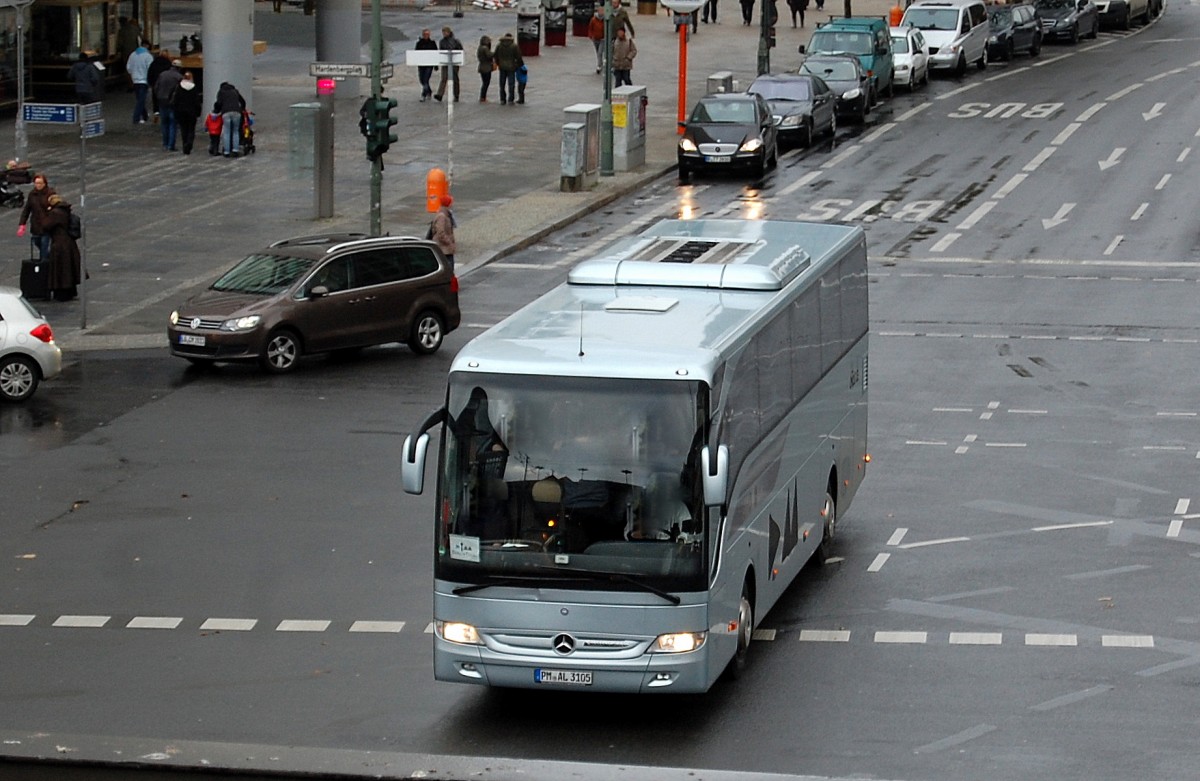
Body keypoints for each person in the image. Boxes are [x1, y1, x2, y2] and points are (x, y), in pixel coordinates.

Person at [43, 194, 82, 302]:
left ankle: (61, 293)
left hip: (59, 243)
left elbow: (46, 225)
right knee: (68, 268)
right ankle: (70, 291)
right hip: (69, 243)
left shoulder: (55, 213)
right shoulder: (66, 211)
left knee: (60, 268)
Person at [17, 173, 56, 262]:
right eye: (36, 183)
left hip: (47, 226)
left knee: (44, 247)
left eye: (40, 183)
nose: (38, 185)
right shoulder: (32, 194)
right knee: (37, 242)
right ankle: (51, 259)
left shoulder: (50, 194)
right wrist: (22, 224)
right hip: (36, 225)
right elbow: (27, 209)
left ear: (45, 183)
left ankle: (44, 267)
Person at [154, 59, 184, 151]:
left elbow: (156, 87)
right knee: (173, 124)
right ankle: (171, 145)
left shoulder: (162, 74)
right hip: (172, 103)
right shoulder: (179, 77)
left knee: (164, 123)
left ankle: (165, 143)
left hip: (162, 100)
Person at [214, 81, 247, 157]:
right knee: (235, 131)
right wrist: (242, 109)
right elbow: (243, 101)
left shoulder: (221, 92)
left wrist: (216, 111)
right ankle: (235, 150)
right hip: (237, 112)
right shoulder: (235, 91)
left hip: (226, 112)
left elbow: (218, 103)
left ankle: (226, 151)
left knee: (227, 132)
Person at [174, 70, 203, 155]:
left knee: (184, 129)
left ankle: (184, 144)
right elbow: (197, 102)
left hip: (181, 112)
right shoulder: (193, 88)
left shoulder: (179, 87)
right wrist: (198, 112)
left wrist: (176, 111)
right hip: (192, 112)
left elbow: (176, 100)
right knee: (191, 129)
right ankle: (189, 143)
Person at [126, 40, 153, 123]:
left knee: (140, 99)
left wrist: (133, 74)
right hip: (144, 80)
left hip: (135, 80)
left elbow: (128, 67)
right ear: (147, 46)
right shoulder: (148, 56)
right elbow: (150, 69)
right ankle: (136, 118)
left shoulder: (132, 55)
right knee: (141, 101)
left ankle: (145, 116)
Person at [492, 32, 522, 106]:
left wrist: (498, 63)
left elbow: (495, 55)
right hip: (511, 67)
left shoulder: (499, 45)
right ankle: (510, 99)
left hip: (502, 67)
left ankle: (502, 99)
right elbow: (518, 57)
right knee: (511, 84)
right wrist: (520, 65)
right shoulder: (514, 46)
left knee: (502, 84)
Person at [434, 26, 462, 103]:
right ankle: (440, 94)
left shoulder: (455, 41)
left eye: (445, 32)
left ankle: (456, 95)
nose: (444, 34)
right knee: (444, 78)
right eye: (443, 32)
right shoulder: (442, 42)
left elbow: (460, 51)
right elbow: (441, 51)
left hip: (454, 63)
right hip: (445, 62)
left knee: (455, 79)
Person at [147, 47, 172, 122]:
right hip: (166, 85)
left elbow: (150, 74)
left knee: (155, 100)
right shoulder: (168, 64)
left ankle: (156, 113)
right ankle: (166, 114)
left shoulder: (154, 63)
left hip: (155, 84)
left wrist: (151, 83)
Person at [430, 194, 456, 265]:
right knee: (448, 269)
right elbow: (440, 232)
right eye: (451, 203)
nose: (452, 205)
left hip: (446, 249)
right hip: (443, 249)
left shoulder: (447, 215)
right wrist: (449, 242)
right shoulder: (442, 216)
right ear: (448, 204)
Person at [415, 28, 437, 101]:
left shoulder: (432, 43)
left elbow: (435, 54)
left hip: (429, 65)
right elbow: (416, 53)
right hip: (421, 64)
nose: (426, 36)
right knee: (422, 80)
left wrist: (436, 65)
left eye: (427, 34)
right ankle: (429, 91)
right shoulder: (419, 43)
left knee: (425, 79)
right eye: (425, 34)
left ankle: (423, 94)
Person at [587, 7, 605, 73]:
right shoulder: (593, 19)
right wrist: (591, 36)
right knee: (598, 52)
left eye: (602, 10)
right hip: (595, 38)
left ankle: (599, 65)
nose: (601, 12)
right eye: (600, 10)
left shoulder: (605, 20)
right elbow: (590, 28)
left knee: (600, 52)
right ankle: (600, 62)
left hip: (603, 39)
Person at [476, 35, 493, 102]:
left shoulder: (479, 48)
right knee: (486, 83)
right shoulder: (485, 48)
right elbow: (489, 55)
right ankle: (483, 97)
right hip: (486, 67)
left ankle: (482, 96)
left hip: (481, 67)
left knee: (484, 82)